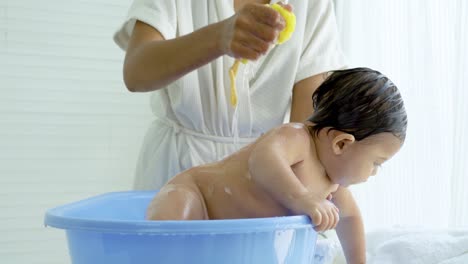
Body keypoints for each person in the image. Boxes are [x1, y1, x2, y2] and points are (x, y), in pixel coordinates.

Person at [146, 68, 408, 264]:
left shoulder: (331, 183)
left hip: (222, 241)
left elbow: (350, 218)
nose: (374, 172)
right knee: (170, 238)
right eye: (376, 163)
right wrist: (303, 198)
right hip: (197, 196)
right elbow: (262, 161)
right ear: (341, 144)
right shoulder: (296, 138)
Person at [113, 0, 347, 190]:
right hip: (175, 169)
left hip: (265, 177)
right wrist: (218, 37)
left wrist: (309, 196)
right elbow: (136, 71)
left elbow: (307, 131)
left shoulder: (314, 5)